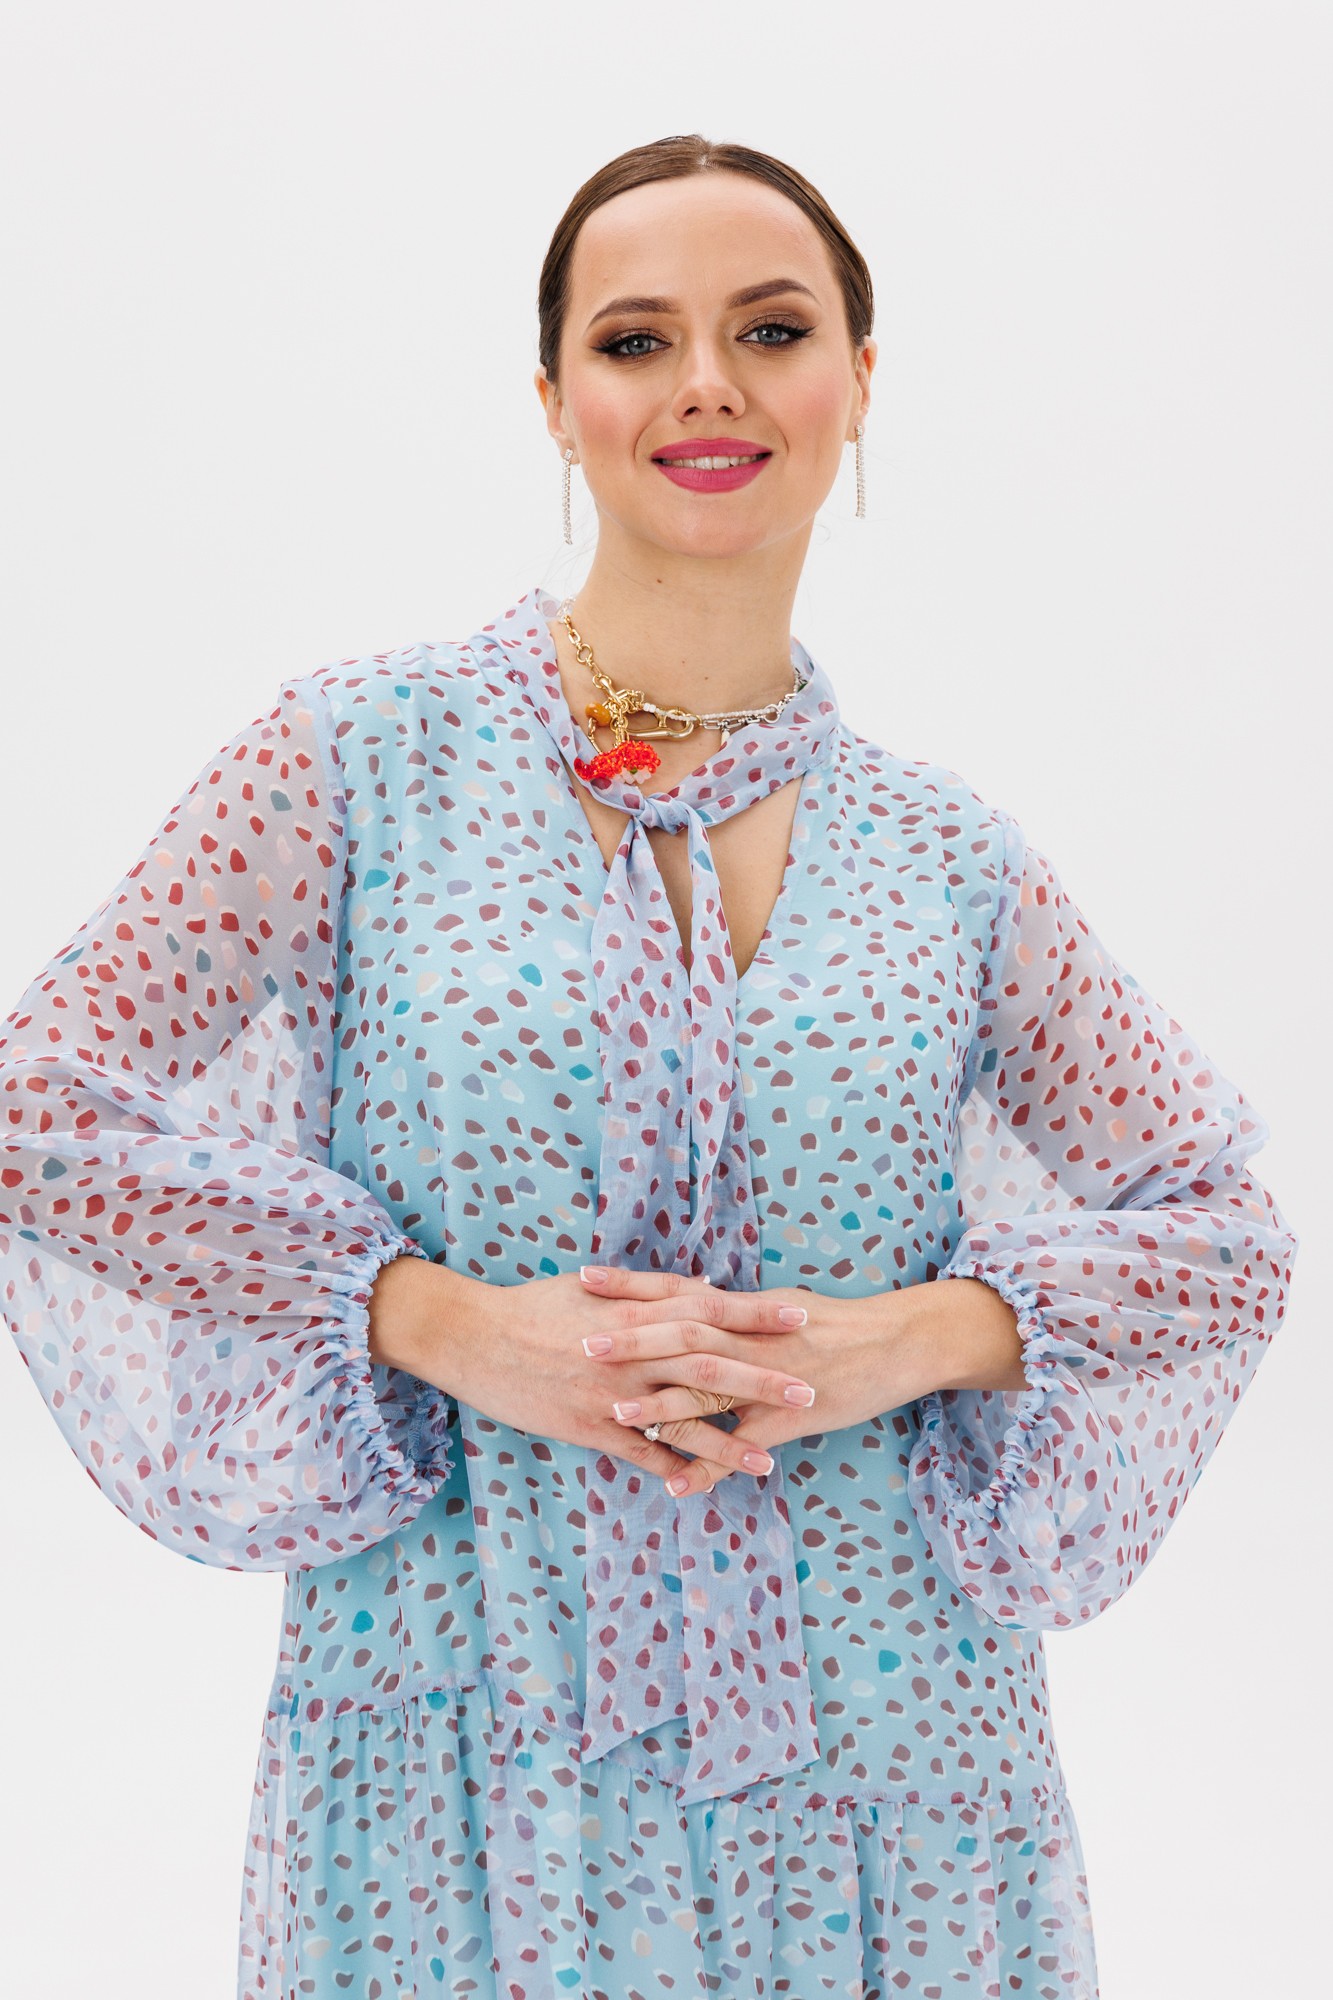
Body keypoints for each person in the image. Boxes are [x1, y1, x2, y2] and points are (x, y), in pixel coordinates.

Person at [0, 133, 1297, 2000]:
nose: (706, 382)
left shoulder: (946, 860)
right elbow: (40, 1116)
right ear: (554, 401)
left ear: (858, 382)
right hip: (468, 1718)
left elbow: (1222, 1234)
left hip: (893, 1753)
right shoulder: (362, 763)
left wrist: (910, 1339)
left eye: (769, 329)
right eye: (633, 340)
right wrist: (432, 1320)